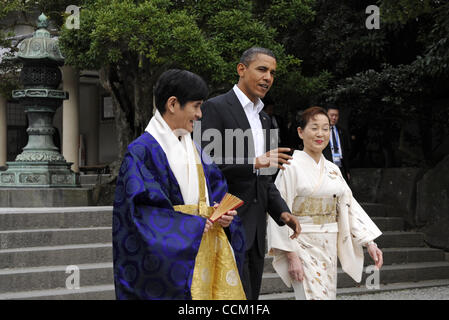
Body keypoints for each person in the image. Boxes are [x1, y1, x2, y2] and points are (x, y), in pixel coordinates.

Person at [112, 69, 246, 300]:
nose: (200, 114)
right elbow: (138, 215)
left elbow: (217, 191)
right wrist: (190, 226)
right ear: (173, 104)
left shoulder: (194, 149)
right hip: (174, 261)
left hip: (203, 250)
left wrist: (222, 214)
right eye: (196, 106)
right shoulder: (141, 151)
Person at [200, 47, 301, 300]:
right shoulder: (215, 107)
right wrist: (254, 162)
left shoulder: (265, 119)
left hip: (256, 228)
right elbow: (206, 164)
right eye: (262, 69)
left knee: (250, 296)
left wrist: (281, 210)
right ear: (241, 69)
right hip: (225, 221)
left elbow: (265, 177)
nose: (268, 77)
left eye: (272, 73)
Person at [267, 106, 383, 300]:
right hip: (300, 244)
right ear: (300, 132)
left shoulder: (332, 169)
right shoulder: (290, 166)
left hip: (328, 243)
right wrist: (291, 255)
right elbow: (278, 212)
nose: (320, 134)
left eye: (325, 128)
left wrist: (369, 242)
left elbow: (349, 207)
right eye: (314, 128)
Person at [323, 104, 351, 183]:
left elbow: (346, 151)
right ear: (326, 115)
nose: (334, 118)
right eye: (331, 115)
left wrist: (347, 170)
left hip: (340, 166)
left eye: (336, 115)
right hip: (326, 167)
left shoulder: (342, 131)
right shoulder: (320, 132)